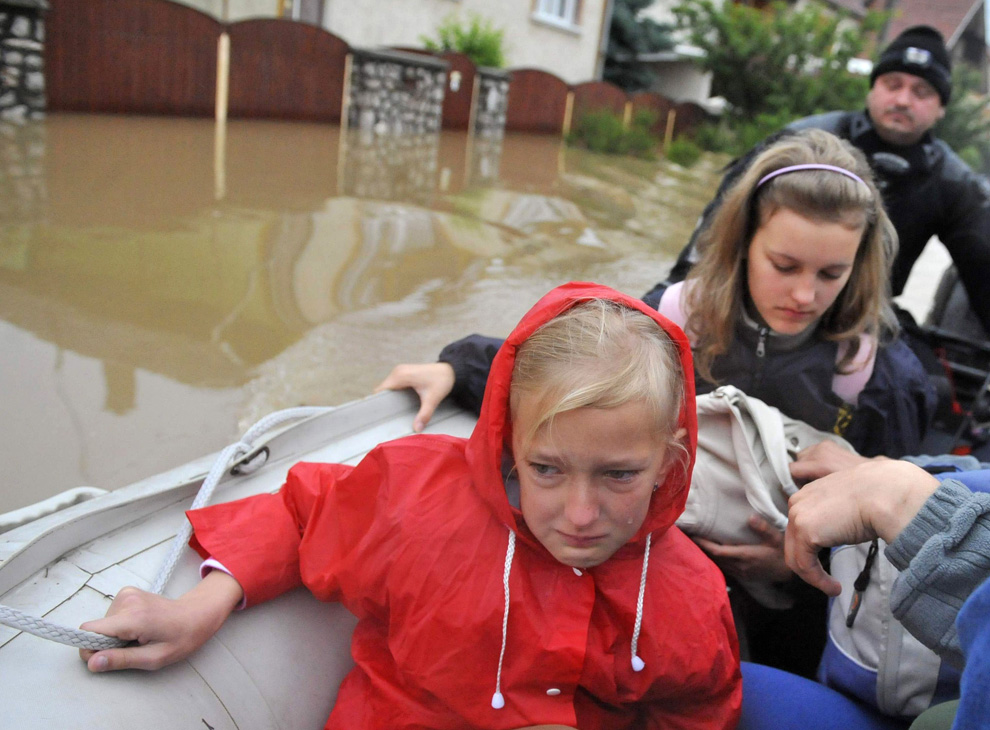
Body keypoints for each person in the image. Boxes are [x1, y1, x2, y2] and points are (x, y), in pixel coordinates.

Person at [378, 129, 937, 677]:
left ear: (859, 265)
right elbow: (578, 367)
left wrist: (796, 569)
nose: (803, 295)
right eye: (784, 266)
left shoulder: (881, 380)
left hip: (792, 609)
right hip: (655, 555)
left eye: (831, 274)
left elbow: (888, 541)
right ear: (741, 245)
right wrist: (461, 367)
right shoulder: (673, 318)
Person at [77, 283, 742, 730]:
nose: (579, 512)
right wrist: (200, 606)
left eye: (619, 476)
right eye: (547, 469)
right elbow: (300, 513)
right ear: (508, 441)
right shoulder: (413, 499)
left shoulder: (691, 598)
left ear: (671, 463)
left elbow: (699, 704)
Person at [658, 25, 990, 338]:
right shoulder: (796, 142)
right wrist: (668, 302)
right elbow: (712, 237)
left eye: (922, 91)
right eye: (893, 84)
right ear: (873, 88)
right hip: (761, 304)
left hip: (865, 320)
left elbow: (983, 272)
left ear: (941, 108)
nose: (903, 100)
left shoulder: (956, 184)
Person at [744, 441, 990, 730]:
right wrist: (884, 465)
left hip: (936, 703)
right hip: (862, 666)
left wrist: (908, 503)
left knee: (715, 689)